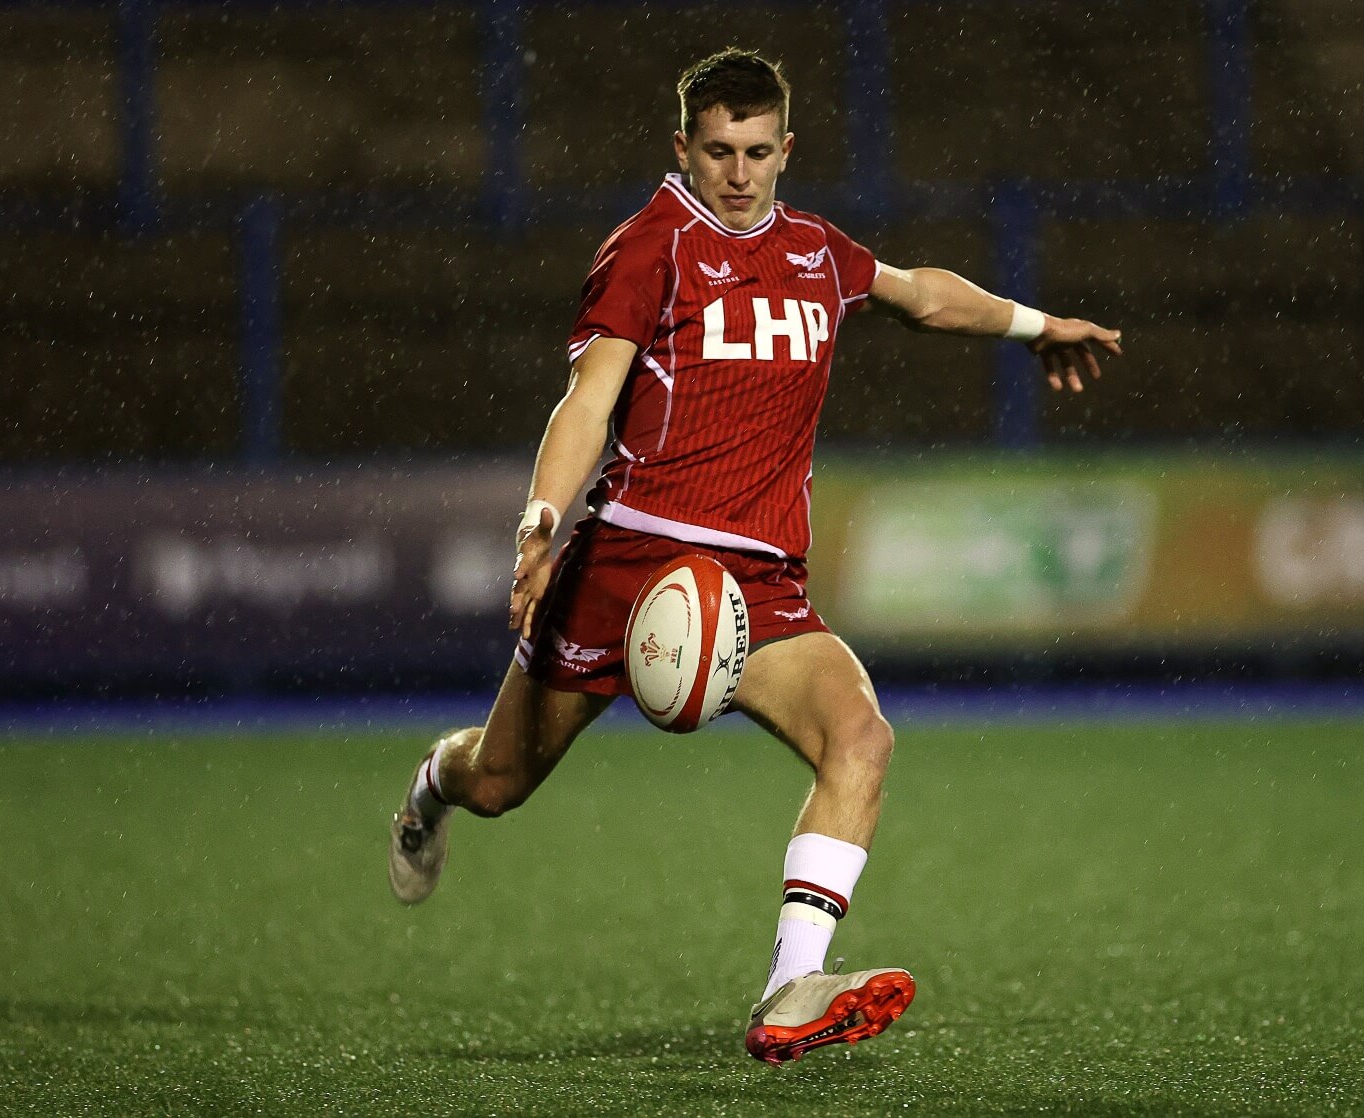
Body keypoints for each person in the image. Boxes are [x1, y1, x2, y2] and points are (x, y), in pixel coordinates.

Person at [387, 48, 1121, 1065]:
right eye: (719, 151)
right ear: (682, 147)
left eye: (758, 151)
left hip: (760, 582)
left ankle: (791, 984)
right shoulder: (651, 248)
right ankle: (431, 781)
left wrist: (1036, 326)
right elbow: (587, 400)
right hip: (625, 565)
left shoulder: (817, 250)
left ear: (788, 150)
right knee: (500, 779)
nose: (738, 173)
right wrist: (540, 523)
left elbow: (923, 294)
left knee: (860, 736)